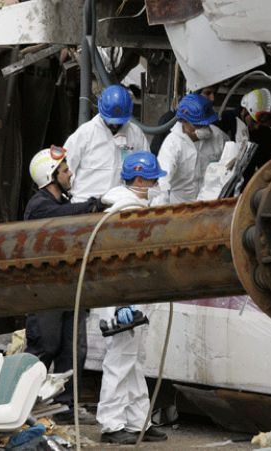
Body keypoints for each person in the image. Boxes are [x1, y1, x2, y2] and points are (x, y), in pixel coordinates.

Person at [24, 146, 103, 424]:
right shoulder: (40, 206)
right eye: (66, 170)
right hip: (45, 290)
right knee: (46, 344)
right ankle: (24, 403)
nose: (71, 174)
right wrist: (91, 205)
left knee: (73, 349)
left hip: (68, 287)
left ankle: (65, 407)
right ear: (51, 176)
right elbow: (64, 217)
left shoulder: (62, 203)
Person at [95, 152, 169, 444]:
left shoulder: (132, 207)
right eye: (152, 180)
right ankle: (111, 426)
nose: (155, 185)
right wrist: (122, 302)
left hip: (132, 296)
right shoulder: (122, 213)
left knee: (134, 362)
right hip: (122, 299)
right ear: (139, 179)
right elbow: (114, 264)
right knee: (119, 362)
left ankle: (138, 421)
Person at [64, 84, 149, 203]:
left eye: (119, 122)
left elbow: (147, 169)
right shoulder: (85, 134)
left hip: (119, 205)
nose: (115, 125)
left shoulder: (136, 134)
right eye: (111, 121)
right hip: (84, 204)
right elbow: (66, 169)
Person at [153, 93, 226, 205]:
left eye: (206, 124)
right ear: (184, 121)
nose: (205, 128)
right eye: (199, 125)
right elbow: (162, 182)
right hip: (179, 207)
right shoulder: (172, 144)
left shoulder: (218, 136)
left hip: (209, 205)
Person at [219, 88, 271, 184]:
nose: (257, 127)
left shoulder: (266, 134)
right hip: (221, 182)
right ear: (244, 111)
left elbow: (265, 166)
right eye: (254, 121)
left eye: (261, 124)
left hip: (246, 186)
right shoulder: (226, 122)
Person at [150, 85, 218, 155]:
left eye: (215, 94)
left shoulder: (215, 125)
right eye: (207, 93)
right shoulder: (168, 120)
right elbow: (155, 154)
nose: (212, 98)